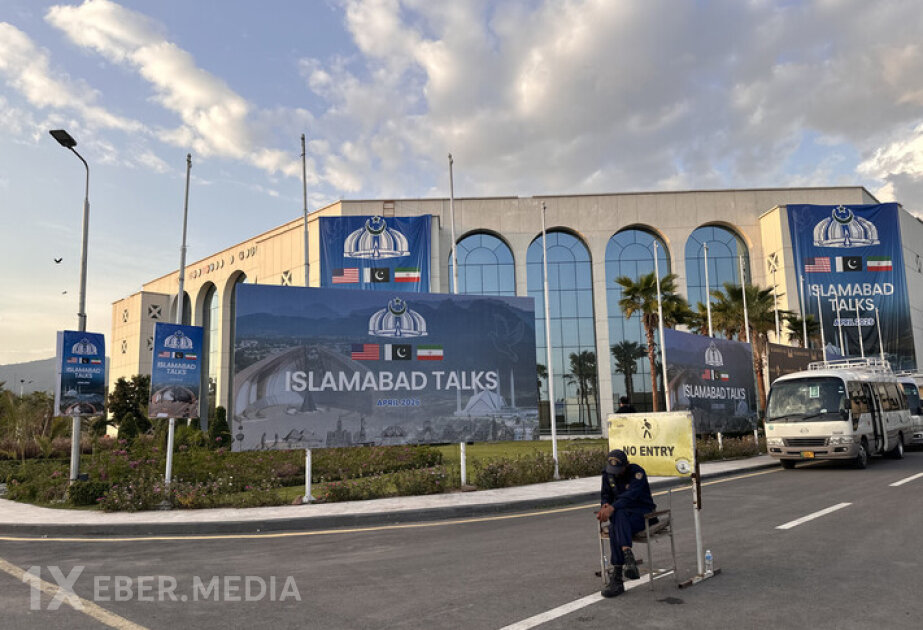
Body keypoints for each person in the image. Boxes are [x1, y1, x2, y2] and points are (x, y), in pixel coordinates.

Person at [596, 449, 656, 598]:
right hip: (622, 517)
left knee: (615, 523)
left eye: (619, 469)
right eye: (613, 470)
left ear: (627, 465)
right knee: (617, 519)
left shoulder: (637, 473)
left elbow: (631, 496)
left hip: (642, 514)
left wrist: (612, 508)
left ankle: (617, 578)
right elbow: (605, 495)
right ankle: (627, 555)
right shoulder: (608, 474)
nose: (616, 473)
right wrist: (605, 505)